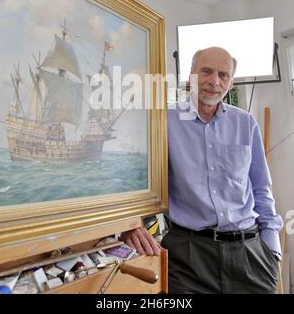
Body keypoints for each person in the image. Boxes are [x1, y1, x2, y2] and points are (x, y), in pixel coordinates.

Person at [121, 46, 283, 294]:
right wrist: (130, 223)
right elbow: (134, 182)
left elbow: (261, 187)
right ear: (190, 76)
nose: (214, 81)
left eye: (223, 75)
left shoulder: (245, 123)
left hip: (249, 255)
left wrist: (272, 248)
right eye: (206, 71)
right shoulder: (163, 121)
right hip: (188, 259)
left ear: (230, 83)